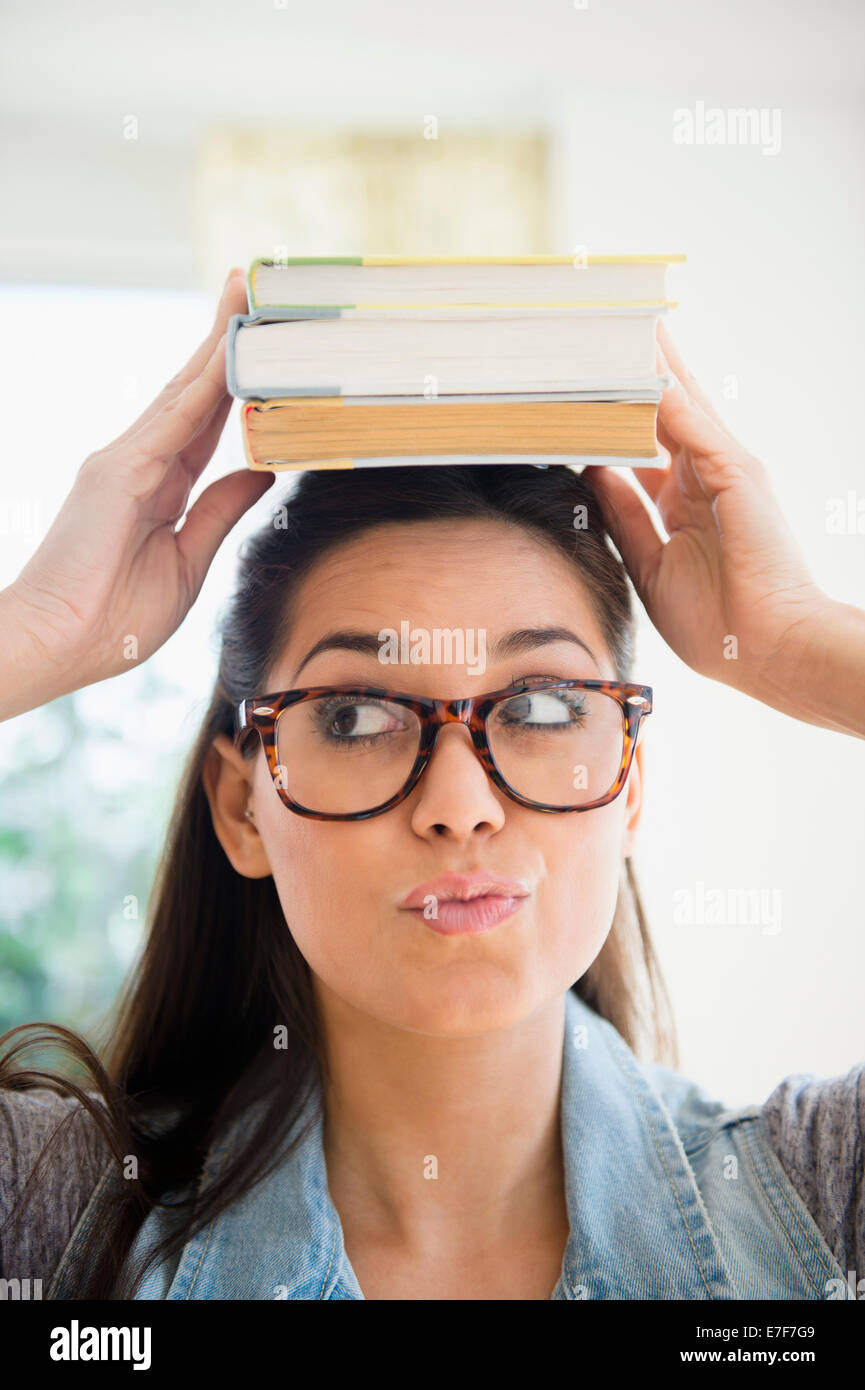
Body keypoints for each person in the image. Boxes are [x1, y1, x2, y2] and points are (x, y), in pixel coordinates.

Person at [0, 270, 862, 1301]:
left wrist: (791, 643)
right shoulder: (48, 1220)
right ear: (244, 807)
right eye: (356, 717)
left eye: (542, 706)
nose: (459, 804)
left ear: (628, 779)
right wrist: (37, 631)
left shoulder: (823, 1198)